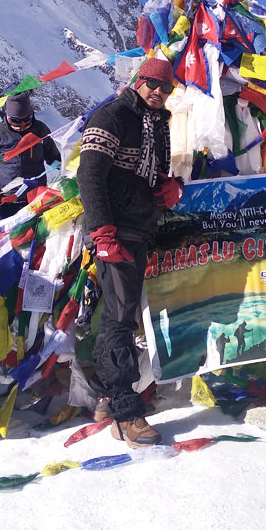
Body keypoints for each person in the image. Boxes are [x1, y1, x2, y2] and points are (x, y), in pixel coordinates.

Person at [76, 57, 184, 448]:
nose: (158, 92)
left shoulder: (158, 122)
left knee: (117, 316)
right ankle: (126, 412)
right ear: (138, 81)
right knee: (120, 319)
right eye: (152, 84)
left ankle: (107, 400)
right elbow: (89, 175)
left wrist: (169, 188)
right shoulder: (112, 115)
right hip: (116, 233)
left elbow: (147, 173)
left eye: (166, 87)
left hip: (138, 228)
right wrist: (102, 233)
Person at [0, 92, 60, 219]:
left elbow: (54, 158)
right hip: (5, 200)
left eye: (27, 120)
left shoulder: (41, 130)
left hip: (36, 199)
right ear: (7, 116)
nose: (22, 125)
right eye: (16, 121)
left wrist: (72, 165)